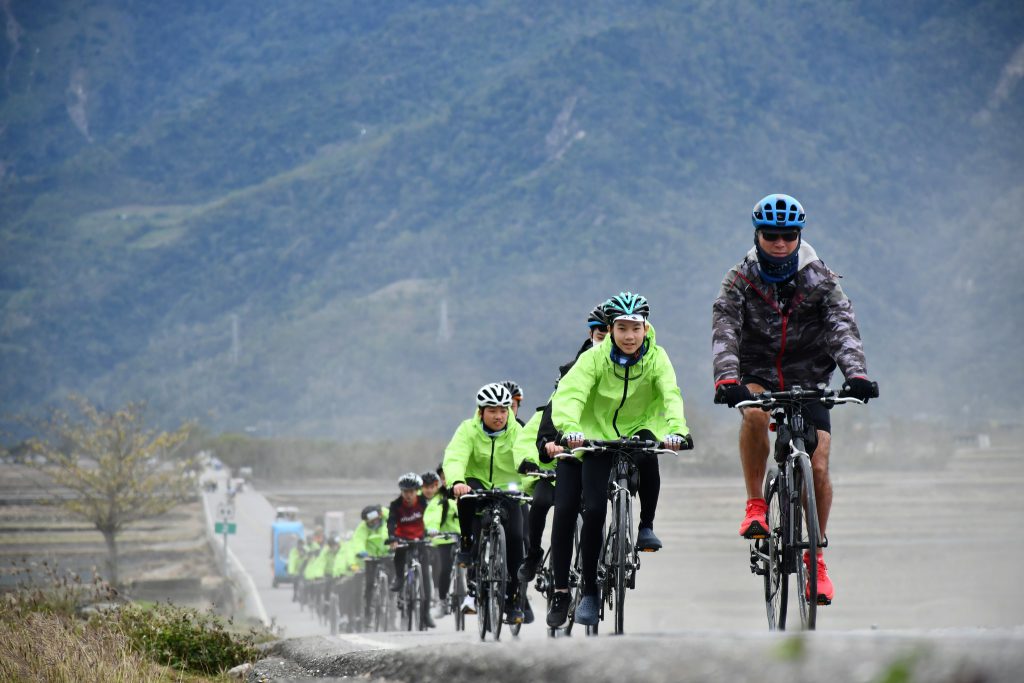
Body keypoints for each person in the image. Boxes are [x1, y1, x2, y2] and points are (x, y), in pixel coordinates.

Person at [712, 193, 879, 605]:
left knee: (818, 462)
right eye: (772, 235)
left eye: (788, 235)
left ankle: (816, 559)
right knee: (752, 414)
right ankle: (755, 505)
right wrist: (726, 378)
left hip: (809, 375)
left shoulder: (820, 278)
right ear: (758, 235)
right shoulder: (740, 279)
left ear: (799, 235)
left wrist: (855, 374)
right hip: (756, 371)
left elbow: (842, 326)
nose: (780, 243)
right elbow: (725, 327)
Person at [550, 292, 693, 626]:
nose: (630, 336)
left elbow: (670, 394)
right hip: (596, 433)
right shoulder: (594, 359)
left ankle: (646, 525)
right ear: (611, 329)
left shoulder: (657, 357)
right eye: (623, 328)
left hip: (642, 425)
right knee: (595, 510)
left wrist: (677, 431)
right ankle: (587, 591)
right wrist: (570, 429)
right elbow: (571, 394)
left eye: (636, 328)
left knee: (648, 455)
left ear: (646, 328)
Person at [442, 382, 525, 623]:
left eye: (503, 410)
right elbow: (456, 455)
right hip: (476, 483)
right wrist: (457, 480)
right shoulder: (467, 429)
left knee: (517, 540)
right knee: (466, 494)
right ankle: (467, 543)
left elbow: (525, 452)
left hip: (508, 488)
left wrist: (530, 469)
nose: (499, 416)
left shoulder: (516, 430)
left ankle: (513, 601)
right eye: (492, 411)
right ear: (481, 412)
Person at [387, 472, 435, 628]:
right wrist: (392, 538)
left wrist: (432, 531)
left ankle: (426, 614)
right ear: (401, 491)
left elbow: (432, 517)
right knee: (399, 555)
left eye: (412, 492)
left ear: (417, 491)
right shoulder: (396, 505)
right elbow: (391, 522)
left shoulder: (424, 503)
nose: (408, 495)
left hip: (420, 539)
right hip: (403, 539)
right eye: (405, 492)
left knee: (426, 577)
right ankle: (400, 579)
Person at [422, 468, 459, 617]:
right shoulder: (439, 498)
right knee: (445, 569)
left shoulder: (465, 491)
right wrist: (432, 529)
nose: (445, 481)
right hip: (445, 539)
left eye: (447, 478)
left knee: (476, 565)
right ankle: (442, 601)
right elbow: (433, 514)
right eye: (442, 479)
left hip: (464, 536)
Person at [350, 504, 389, 620]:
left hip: (388, 555)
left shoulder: (391, 518)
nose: (373, 523)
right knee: (369, 584)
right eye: (370, 522)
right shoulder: (362, 527)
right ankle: (368, 610)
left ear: (381, 516)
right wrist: (361, 551)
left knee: (396, 579)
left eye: (375, 520)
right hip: (371, 557)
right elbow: (358, 539)